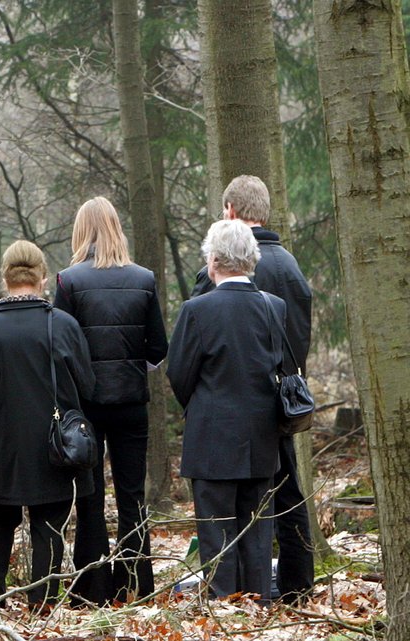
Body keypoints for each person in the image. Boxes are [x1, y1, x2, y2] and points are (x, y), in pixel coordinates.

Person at [191, 175, 314, 602]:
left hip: (225, 413)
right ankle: (295, 587)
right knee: (283, 497)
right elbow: (297, 339)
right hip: (280, 404)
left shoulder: (218, 271)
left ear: (230, 211)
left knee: (229, 510)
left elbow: (193, 356)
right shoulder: (292, 268)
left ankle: (231, 599)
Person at [54, 197, 168, 604]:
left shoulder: (68, 281)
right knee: (132, 494)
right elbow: (158, 347)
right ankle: (136, 584)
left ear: (81, 230)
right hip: (131, 403)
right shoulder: (144, 278)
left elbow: (59, 346)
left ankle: (92, 588)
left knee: (90, 495)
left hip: (85, 405)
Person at [167, 219, 285, 602]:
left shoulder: (197, 310)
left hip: (212, 436)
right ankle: (258, 604)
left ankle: (223, 606)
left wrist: (203, 407)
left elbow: (179, 374)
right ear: (251, 259)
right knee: (257, 530)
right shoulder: (274, 308)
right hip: (263, 436)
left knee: (216, 530)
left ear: (213, 260)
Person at [0, 240, 95, 611]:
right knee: (49, 520)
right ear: (43, 277)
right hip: (52, 443)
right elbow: (87, 386)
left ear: (5, 278)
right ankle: (42, 601)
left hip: (1, 440)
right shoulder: (62, 325)